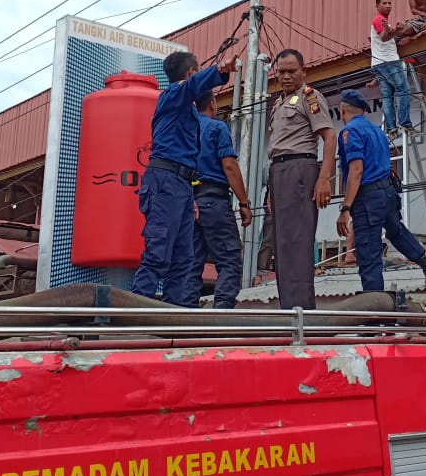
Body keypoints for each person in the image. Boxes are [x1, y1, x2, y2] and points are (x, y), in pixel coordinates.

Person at [132, 49, 236, 305]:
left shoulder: (185, 109)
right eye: (198, 71)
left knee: (184, 259)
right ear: (191, 73)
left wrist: (190, 197)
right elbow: (191, 86)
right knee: (158, 254)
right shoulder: (172, 95)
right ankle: (130, 317)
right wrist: (220, 70)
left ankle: (172, 319)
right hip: (165, 181)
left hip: (181, 185)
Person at [336, 90, 426, 291]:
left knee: (368, 252)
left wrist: (346, 207)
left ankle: (375, 305)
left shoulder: (350, 132)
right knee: (397, 232)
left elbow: (356, 171)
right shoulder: (377, 131)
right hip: (387, 192)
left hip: (367, 197)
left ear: (342, 110)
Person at [267, 49, 335, 310]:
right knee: (282, 245)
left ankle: (301, 311)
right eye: (281, 71)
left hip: (300, 168)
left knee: (297, 242)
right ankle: (289, 309)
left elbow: (329, 137)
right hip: (279, 172)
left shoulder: (310, 96)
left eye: (291, 71)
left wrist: (323, 178)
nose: (285, 76)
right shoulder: (279, 103)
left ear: (303, 72)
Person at [188, 92, 253, 309]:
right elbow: (229, 166)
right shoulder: (217, 128)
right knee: (229, 259)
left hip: (189, 203)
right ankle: (222, 311)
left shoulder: (184, 129)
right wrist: (244, 203)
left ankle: (185, 312)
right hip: (213, 200)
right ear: (213, 105)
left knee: (191, 262)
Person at [370, 0, 413, 135]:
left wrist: (394, 30)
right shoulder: (379, 19)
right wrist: (396, 30)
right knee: (403, 90)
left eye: (389, 3)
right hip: (388, 61)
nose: (388, 6)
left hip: (378, 63)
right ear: (377, 6)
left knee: (387, 96)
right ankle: (404, 123)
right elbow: (384, 37)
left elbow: (385, 36)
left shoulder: (382, 21)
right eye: (384, 3)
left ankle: (391, 127)